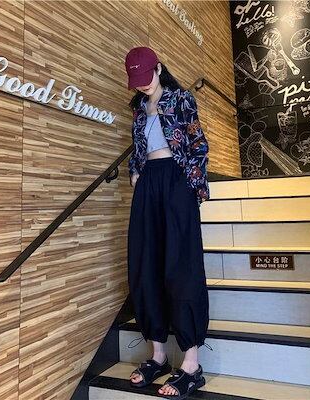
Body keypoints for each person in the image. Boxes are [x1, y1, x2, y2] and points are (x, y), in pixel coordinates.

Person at [125, 46, 212, 399]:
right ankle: (158, 355)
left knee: (181, 267)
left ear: (159, 68)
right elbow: (137, 149)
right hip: (148, 183)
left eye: (146, 77)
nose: (142, 84)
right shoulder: (138, 109)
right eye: (136, 80)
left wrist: (192, 185)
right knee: (145, 264)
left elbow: (198, 144)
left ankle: (191, 365)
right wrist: (135, 172)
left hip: (176, 180)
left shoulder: (181, 99)